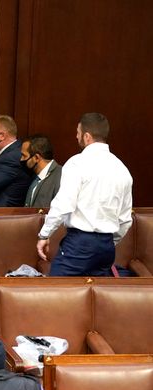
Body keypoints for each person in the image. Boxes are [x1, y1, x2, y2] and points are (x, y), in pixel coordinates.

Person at [37, 113, 133, 276]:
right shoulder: (122, 169)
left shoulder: (77, 163)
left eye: (78, 132)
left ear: (87, 136)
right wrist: (107, 241)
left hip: (79, 244)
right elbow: (125, 220)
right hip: (106, 247)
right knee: (97, 297)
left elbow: (63, 204)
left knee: (56, 294)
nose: (76, 136)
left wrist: (44, 234)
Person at [20, 134, 62, 207]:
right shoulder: (34, 177)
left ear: (36, 158)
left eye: (24, 156)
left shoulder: (61, 177)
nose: (21, 159)